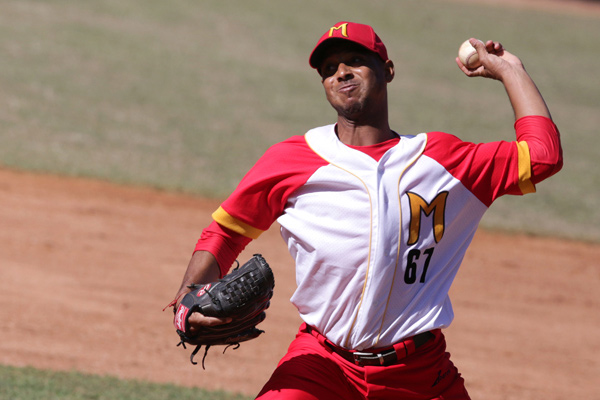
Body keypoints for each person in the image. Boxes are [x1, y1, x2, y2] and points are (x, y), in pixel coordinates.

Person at [171, 21, 563, 399]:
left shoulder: (445, 161)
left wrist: (510, 71)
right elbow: (225, 232)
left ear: (387, 70)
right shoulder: (291, 159)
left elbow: (543, 156)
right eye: (329, 69)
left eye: (354, 61)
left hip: (420, 375)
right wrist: (187, 301)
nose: (341, 73)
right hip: (322, 363)